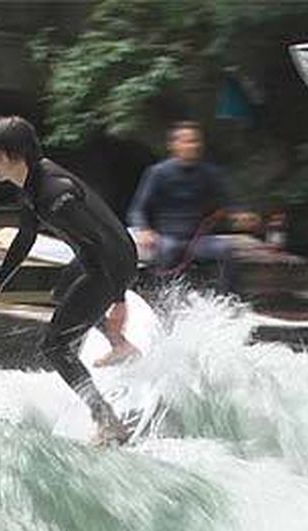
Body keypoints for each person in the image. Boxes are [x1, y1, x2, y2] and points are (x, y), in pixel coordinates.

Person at [0, 116, 139, 445]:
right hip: (99, 255)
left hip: (111, 261)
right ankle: (121, 346)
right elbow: (25, 237)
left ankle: (108, 421)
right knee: (61, 291)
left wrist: (119, 300)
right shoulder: (33, 181)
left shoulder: (53, 193)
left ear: (12, 155)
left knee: (55, 346)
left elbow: (99, 243)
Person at [89, 121, 257, 366]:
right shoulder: (158, 173)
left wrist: (241, 214)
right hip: (167, 235)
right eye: (186, 141)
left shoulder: (209, 173)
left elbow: (230, 201)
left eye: (195, 141)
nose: (191, 145)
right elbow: (138, 210)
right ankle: (167, 306)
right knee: (167, 251)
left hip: (198, 238)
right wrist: (145, 230)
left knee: (227, 251)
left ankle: (228, 304)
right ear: (175, 145)